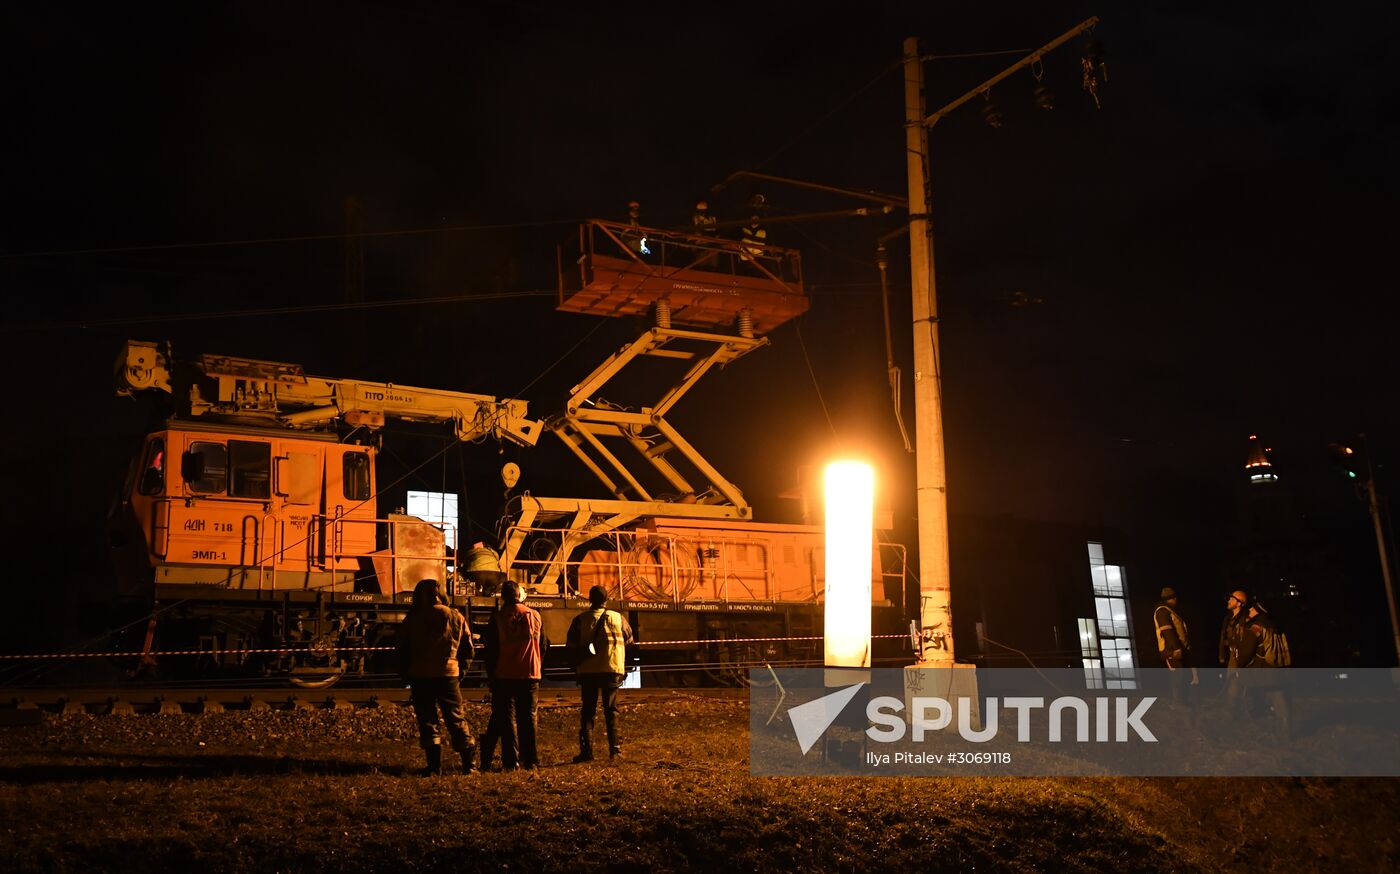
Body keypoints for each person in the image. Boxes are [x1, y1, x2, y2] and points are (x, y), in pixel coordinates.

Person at [395, 578, 476, 776]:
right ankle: (469, 765)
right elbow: (468, 649)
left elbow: (401, 649)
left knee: (428, 719)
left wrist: (406, 674)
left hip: (420, 675)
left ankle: (433, 767)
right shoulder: (455, 616)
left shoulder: (412, 618)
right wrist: (460, 672)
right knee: (456, 718)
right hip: (448, 674)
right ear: (440, 594)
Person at [480, 581, 549, 770]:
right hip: (530, 673)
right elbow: (543, 645)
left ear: (503, 596)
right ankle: (532, 761)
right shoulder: (535, 615)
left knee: (507, 718)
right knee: (528, 717)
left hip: (505, 674)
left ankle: (511, 762)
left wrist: (492, 675)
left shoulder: (498, 618)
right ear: (520, 594)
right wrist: (536, 662)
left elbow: (491, 650)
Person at [567, 585, 635, 762]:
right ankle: (615, 751)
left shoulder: (580, 620)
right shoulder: (618, 618)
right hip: (612, 670)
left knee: (588, 712)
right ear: (606, 600)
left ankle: (587, 752)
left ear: (590, 599)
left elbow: (571, 647)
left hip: (588, 672)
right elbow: (629, 641)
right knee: (611, 710)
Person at [1238, 600, 1293, 738]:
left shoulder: (1255, 626)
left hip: (1261, 668)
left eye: (1252, 608)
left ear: (1258, 610)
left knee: (1251, 693)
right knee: (1278, 695)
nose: (1249, 610)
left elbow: (1248, 650)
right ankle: (1285, 725)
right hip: (1277, 667)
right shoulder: (1275, 624)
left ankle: (1254, 724)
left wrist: (1240, 663)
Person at [1153, 586, 1198, 710]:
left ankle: (1182, 701)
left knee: (1182, 675)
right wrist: (1176, 648)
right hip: (1171, 651)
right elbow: (1167, 631)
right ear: (1172, 598)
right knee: (1178, 676)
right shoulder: (1163, 611)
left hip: (1176, 650)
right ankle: (1177, 703)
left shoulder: (1168, 611)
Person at [1218, 589, 1249, 716]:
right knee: (1231, 680)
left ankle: (1233, 710)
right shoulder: (1228, 618)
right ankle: (1233, 709)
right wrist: (1222, 654)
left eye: (1232, 599)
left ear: (1240, 603)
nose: (1229, 600)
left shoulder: (1246, 618)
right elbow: (1223, 637)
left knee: (1238, 681)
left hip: (1243, 655)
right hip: (1232, 654)